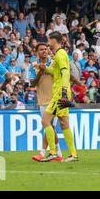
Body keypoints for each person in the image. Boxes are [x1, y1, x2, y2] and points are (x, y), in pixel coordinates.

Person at [39, 32, 78, 162]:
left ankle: (53, 152)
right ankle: (73, 154)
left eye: (49, 39)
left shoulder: (60, 54)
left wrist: (64, 91)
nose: (47, 41)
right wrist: (45, 68)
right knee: (64, 123)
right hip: (62, 92)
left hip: (60, 93)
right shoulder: (59, 54)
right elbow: (56, 73)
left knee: (45, 121)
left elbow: (65, 72)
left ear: (54, 40)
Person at [30, 43, 63, 162]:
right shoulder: (33, 65)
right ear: (37, 52)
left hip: (54, 98)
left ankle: (42, 152)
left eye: (46, 49)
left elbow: (60, 76)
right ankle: (58, 153)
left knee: (48, 124)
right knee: (50, 128)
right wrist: (40, 72)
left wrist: (47, 69)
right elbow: (32, 83)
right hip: (42, 99)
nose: (44, 51)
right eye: (41, 49)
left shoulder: (54, 62)